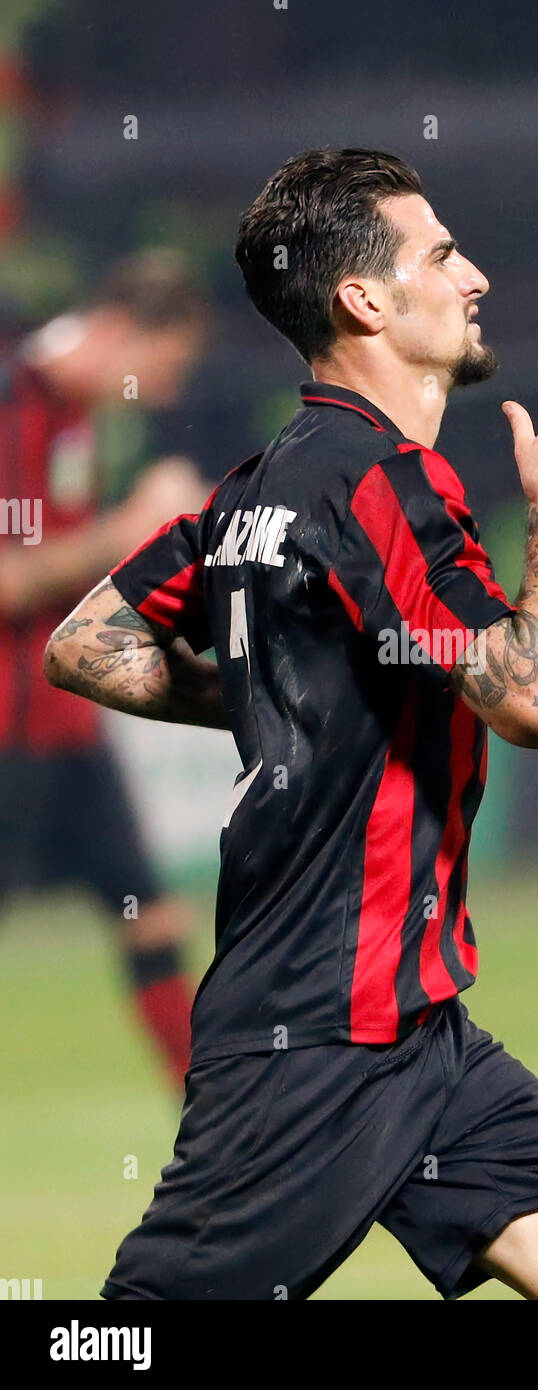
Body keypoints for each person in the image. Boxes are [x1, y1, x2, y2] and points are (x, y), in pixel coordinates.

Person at [45, 150, 538, 1300]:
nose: (474, 274)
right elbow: (537, 699)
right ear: (365, 300)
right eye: (441, 253)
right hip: (315, 1036)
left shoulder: (258, 488)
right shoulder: (386, 485)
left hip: (422, 1031)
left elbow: (87, 640)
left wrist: (279, 683)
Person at [0, 250, 208, 1090]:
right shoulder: (14, 405)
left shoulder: (81, 417)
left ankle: (227, 1146)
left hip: (63, 723)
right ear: (123, 329)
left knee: (150, 915)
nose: (165, 391)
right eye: (167, 366)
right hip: (7, 731)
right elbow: (10, 577)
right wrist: (133, 525)